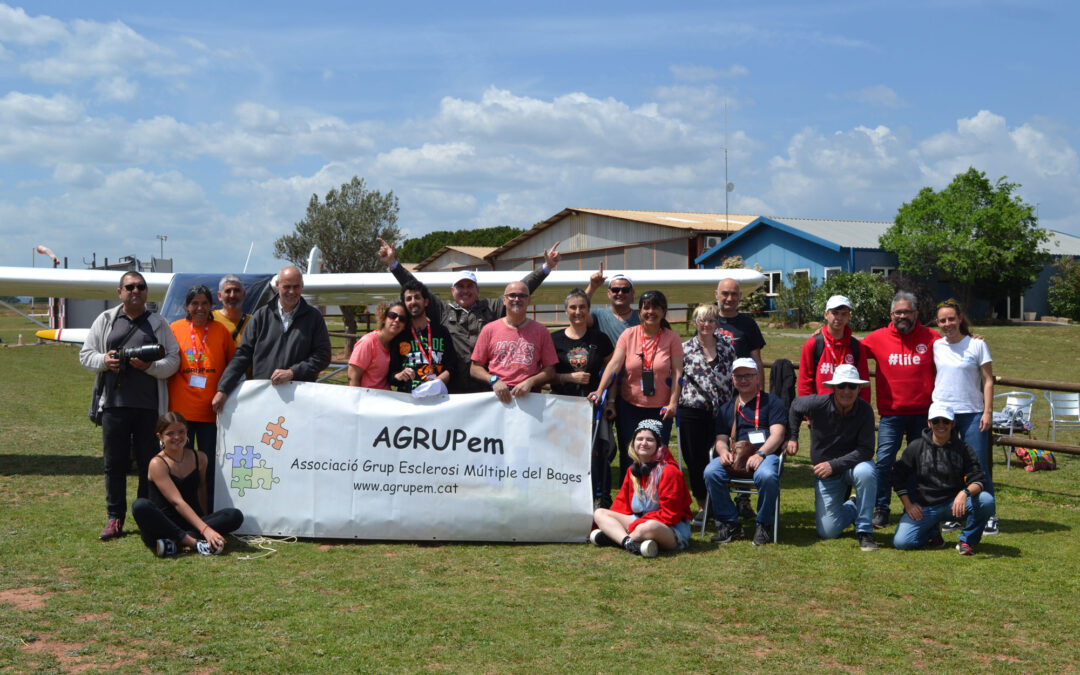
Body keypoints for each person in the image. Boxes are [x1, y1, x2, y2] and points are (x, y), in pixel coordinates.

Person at [377, 237, 561, 393]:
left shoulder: (492, 308)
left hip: (485, 388)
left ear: (477, 290)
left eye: (469, 286)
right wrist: (393, 264)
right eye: (460, 287)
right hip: (452, 387)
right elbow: (415, 288)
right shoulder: (442, 310)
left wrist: (546, 268)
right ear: (452, 290)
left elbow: (519, 290)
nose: (465, 291)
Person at [79, 271, 181, 540]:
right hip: (114, 405)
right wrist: (105, 361)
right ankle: (115, 517)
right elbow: (85, 355)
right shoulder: (106, 320)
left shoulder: (158, 323)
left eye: (140, 287)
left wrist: (150, 367)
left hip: (149, 408)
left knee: (150, 463)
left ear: (147, 292)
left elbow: (174, 361)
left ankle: (144, 513)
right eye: (130, 287)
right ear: (119, 292)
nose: (135, 291)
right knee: (114, 463)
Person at [860, 291, 942, 529]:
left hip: (923, 414)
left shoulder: (931, 338)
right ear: (891, 315)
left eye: (907, 312)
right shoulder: (877, 338)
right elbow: (850, 348)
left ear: (916, 313)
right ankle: (881, 508)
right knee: (884, 461)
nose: (902, 316)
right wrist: (822, 333)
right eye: (898, 312)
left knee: (921, 463)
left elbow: (954, 345)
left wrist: (972, 337)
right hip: (891, 414)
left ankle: (917, 506)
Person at [212, 266, 332, 413]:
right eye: (287, 287)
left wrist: (292, 372)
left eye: (296, 287)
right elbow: (242, 355)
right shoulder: (260, 316)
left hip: (300, 399)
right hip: (265, 398)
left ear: (302, 286)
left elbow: (323, 356)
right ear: (277, 286)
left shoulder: (314, 318)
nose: (292, 292)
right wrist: (223, 389)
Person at [786, 364, 879, 551]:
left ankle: (864, 531)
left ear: (859, 388)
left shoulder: (865, 410)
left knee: (867, 472)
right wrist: (793, 436)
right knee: (828, 531)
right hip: (826, 473)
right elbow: (795, 406)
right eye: (841, 386)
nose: (846, 391)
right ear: (833, 387)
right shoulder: (817, 403)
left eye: (852, 386)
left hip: (852, 466)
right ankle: (853, 505)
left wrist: (833, 465)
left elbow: (866, 450)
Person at [589, 290, 683, 473]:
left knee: (657, 454)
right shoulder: (628, 335)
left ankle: (656, 496)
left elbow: (678, 373)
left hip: (660, 408)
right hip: (630, 406)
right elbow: (613, 366)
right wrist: (600, 390)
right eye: (646, 308)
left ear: (663, 311)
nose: (650, 312)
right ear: (639, 311)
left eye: (656, 308)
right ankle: (631, 497)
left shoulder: (672, 338)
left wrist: (673, 403)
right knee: (630, 454)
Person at [131, 412, 244, 557]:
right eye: (170, 433)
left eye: (181, 432)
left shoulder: (200, 457)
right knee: (140, 505)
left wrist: (204, 519)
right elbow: (177, 502)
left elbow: (201, 488)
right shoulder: (157, 464)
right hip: (163, 526)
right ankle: (192, 542)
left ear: (187, 432)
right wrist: (205, 530)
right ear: (160, 437)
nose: (177, 437)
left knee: (234, 515)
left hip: (190, 522)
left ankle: (173, 543)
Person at [891, 403, 995, 555]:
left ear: (953, 423)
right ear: (929, 423)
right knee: (901, 542)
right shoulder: (916, 446)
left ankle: (967, 540)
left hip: (955, 505)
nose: (941, 425)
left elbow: (979, 479)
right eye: (936, 421)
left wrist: (964, 493)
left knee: (986, 500)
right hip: (926, 507)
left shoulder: (964, 449)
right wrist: (908, 505)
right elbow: (897, 475)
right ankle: (932, 533)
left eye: (945, 421)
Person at [932, 299, 998, 535]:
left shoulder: (977, 345)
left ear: (960, 318)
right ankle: (957, 513)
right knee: (949, 465)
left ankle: (989, 514)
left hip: (972, 413)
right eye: (942, 320)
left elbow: (989, 380)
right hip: (944, 415)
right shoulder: (936, 346)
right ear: (937, 323)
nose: (947, 323)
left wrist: (987, 411)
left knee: (977, 466)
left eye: (951, 318)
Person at [703, 358, 786, 546]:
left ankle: (764, 523)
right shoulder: (727, 408)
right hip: (735, 456)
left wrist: (761, 454)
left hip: (766, 455)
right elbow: (721, 439)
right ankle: (730, 522)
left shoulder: (772, 403)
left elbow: (778, 434)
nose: (743, 380)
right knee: (711, 471)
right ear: (732, 379)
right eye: (739, 376)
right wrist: (723, 452)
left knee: (767, 477)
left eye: (748, 375)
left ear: (757, 377)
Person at [168, 284, 236, 509]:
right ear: (187, 306)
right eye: (194, 303)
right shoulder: (174, 329)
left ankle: (209, 509)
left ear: (211, 306)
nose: (199, 308)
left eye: (204, 303)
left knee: (208, 466)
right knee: (180, 465)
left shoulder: (221, 331)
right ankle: (183, 509)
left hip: (211, 413)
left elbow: (234, 366)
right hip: (181, 414)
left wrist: (224, 391)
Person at [589, 419, 693, 558]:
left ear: (658, 445)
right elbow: (621, 506)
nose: (643, 443)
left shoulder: (669, 472)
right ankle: (630, 542)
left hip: (669, 528)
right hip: (639, 521)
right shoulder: (633, 471)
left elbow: (671, 515)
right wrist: (609, 523)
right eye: (639, 439)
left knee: (649, 527)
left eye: (649, 440)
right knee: (600, 513)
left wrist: (623, 527)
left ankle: (617, 539)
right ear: (633, 443)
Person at [551, 288, 615, 507]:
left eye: (582, 307)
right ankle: (567, 497)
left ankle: (600, 498)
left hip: (592, 408)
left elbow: (613, 370)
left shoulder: (600, 339)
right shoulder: (554, 339)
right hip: (563, 406)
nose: (578, 311)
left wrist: (611, 400)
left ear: (588, 310)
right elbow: (546, 374)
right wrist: (568, 377)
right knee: (566, 452)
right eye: (573, 307)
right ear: (565, 310)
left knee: (598, 453)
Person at [677, 303, 736, 527]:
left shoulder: (728, 348)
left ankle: (721, 503)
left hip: (722, 411)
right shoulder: (684, 348)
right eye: (702, 320)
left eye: (711, 320)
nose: (706, 324)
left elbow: (736, 377)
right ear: (695, 323)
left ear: (716, 324)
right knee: (695, 459)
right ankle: (703, 505)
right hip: (693, 410)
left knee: (722, 457)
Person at [583, 268, 642, 477]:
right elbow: (580, 312)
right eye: (615, 289)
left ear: (632, 293)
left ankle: (631, 482)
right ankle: (600, 485)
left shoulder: (641, 316)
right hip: (604, 386)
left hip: (634, 388)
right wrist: (592, 287)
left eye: (625, 289)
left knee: (630, 439)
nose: (620, 293)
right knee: (602, 441)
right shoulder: (598, 314)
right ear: (608, 293)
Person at [470, 282, 557, 402]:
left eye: (522, 296)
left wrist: (531, 381)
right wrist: (493, 380)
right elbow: (475, 368)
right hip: (496, 395)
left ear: (529, 300)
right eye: (512, 295)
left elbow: (550, 370)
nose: (517, 299)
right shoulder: (489, 329)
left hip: (530, 397)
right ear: (504, 300)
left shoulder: (541, 331)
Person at [797, 295, 870, 402]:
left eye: (844, 314)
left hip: (849, 412)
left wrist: (862, 413)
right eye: (835, 313)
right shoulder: (813, 344)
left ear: (849, 316)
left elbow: (864, 384)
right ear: (826, 315)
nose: (839, 318)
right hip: (820, 411)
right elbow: (805, 383)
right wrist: (809, 412)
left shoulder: (856, 347)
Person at [390, 282, 458, 393]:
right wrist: (399, 375)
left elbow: (452, 367)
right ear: (405, 304)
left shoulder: (441, 331)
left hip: (436, 397)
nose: (413, 302)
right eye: (408, 299)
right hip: (409, 399)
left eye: (417, 297)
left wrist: (438, 381)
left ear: (425, 302)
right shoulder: (399, 335)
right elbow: (391, 375)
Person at [715, 277, 766, 389]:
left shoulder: (748, 323)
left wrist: (760, 393)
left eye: (734, 294)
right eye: (725, 294)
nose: (729, 298)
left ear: (740, 295)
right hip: (713, 390)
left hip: (741, 388)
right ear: (716, 294)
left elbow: (757, 360)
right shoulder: (708, 322)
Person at [347, 300, 407, 389]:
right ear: (384, 318)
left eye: (402, 319)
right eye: (392, 316)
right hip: (367, 399)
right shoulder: (368, 342)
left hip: (384, 399)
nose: (397, 320)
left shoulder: (395, 345)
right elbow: (352, 378)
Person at [212, 274, 252, 345]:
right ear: (220, 296)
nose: (232, 295)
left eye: (236, 290)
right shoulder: (209, 319)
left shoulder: (253, 322)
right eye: (228, 291)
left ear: (244, 294)